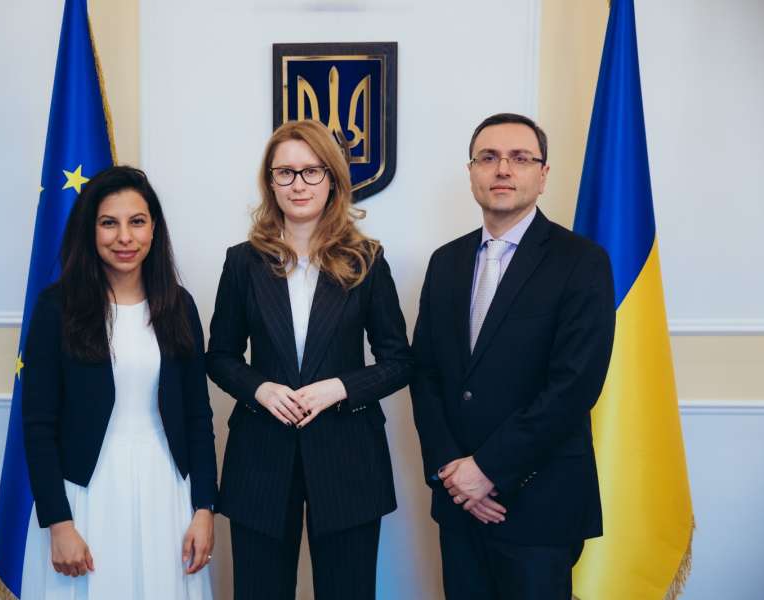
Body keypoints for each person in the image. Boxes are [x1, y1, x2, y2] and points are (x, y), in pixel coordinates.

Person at [410, 113, 616, 599]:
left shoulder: (582, 262)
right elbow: (425, 374)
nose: (502, 169)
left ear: (543, 175)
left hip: (539, 503)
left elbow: (574, 387)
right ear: (471, 173)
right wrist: (453, 473)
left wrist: (487, 470)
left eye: (520, 158)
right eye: (488, 158)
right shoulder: (445, 262)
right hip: (459, 503)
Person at [206, 119, 412, 600]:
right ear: (270, 181)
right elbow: (219, 356)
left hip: (348, 457)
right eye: (285, 173)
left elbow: (400, 360)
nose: (298, 184)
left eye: (311, 171)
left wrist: (340, 388)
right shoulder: (242, 262)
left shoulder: (367, 259)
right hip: (261, 457)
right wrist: (260, 389)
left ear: (332, 179)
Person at [20, 166, 218, 599]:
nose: (124, 237)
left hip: (168, 491)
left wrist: (205, 509)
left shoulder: (179, 306)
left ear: (154, 228)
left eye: (137, 221)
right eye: (109, 223)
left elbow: (198, 417)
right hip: (85, 497)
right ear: (89, 230)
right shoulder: (56, 308)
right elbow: (37, 425)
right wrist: (59, 523)